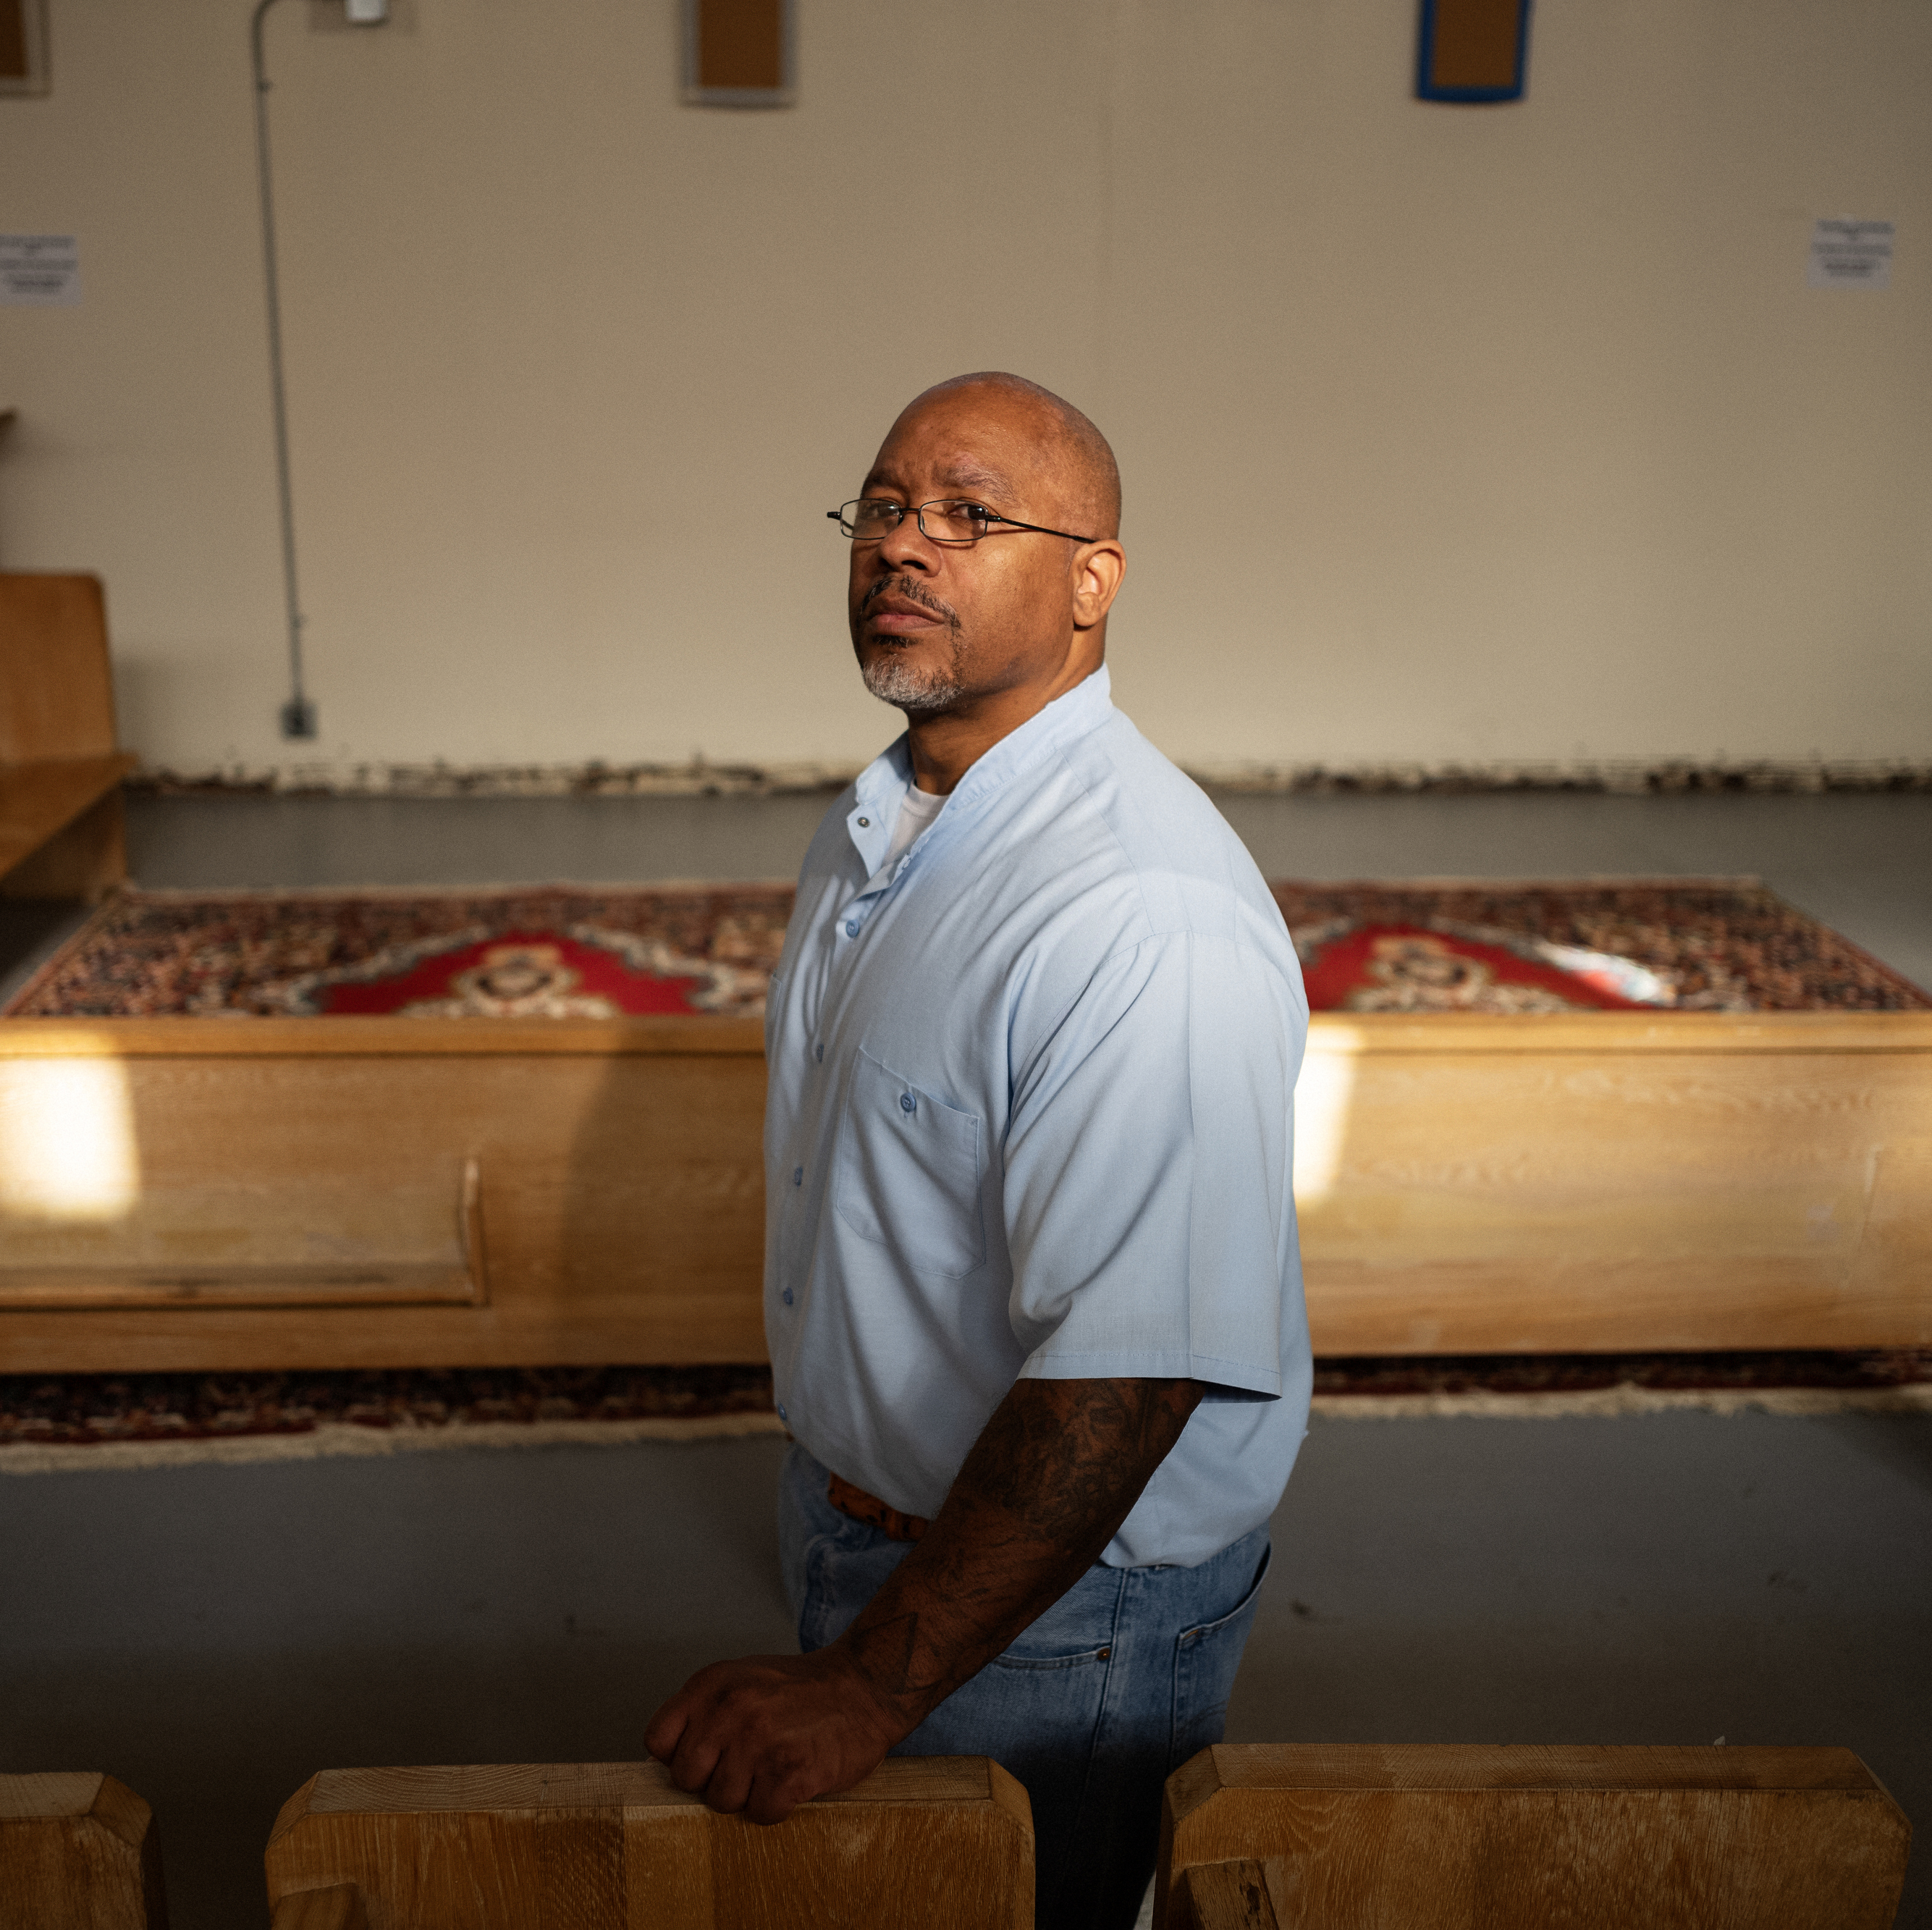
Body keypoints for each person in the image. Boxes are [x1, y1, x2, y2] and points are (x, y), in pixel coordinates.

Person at [644, 372, 1312, 1929]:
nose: (901, 547)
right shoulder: (881, 819)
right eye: (880, 508)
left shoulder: (1140, 912)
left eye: (965, 515)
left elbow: (1129, 1373)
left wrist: (863, 1685)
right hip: (867, 1532)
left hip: (1064, 1611)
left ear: (1091, 583)